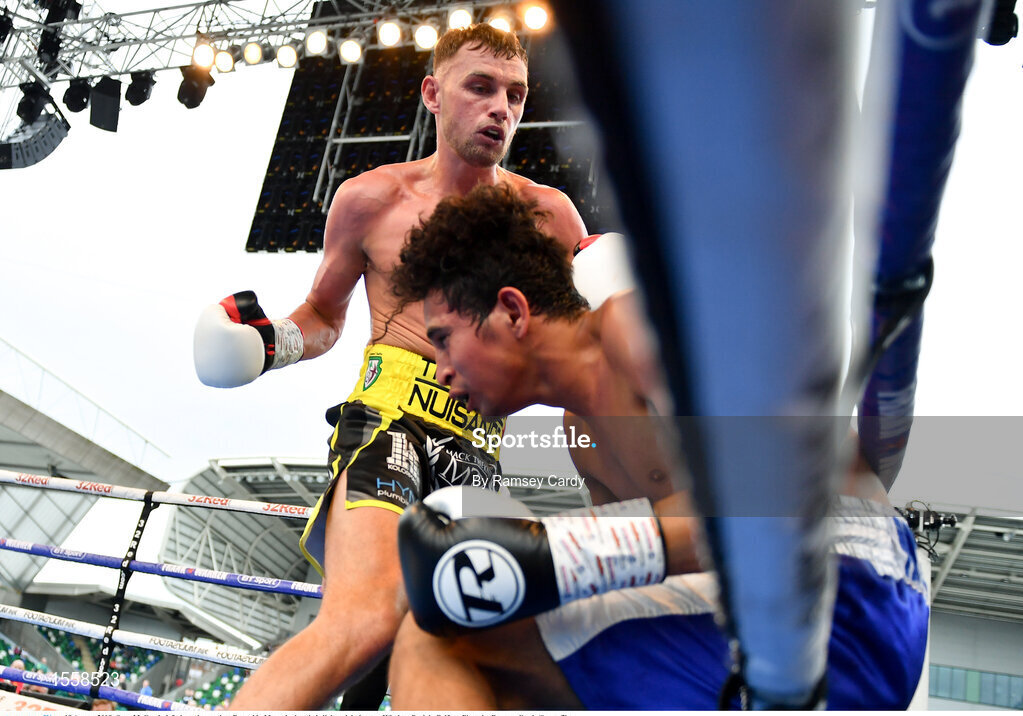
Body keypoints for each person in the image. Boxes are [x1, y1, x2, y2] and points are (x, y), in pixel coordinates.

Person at [386, 184, 930, 709]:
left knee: (441, 635)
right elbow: (640, 577)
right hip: (749, 624)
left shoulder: (638, 325)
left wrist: (547, 552)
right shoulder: (583, 442)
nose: (442, 369)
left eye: (443, 338)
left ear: (511, 311)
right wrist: (524, 568)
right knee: (504, 650)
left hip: (844, 585)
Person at [192, 24, 587, 710]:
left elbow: (581, 351)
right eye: (482, 87)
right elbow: (323, 314)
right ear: (433, 93)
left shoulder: (547, 218)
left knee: (430, 649)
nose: (502, 107)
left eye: (516, 94)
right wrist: (267, 345)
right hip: (385, 427)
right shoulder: (369, 200)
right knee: (367, 617)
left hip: (480, 450)